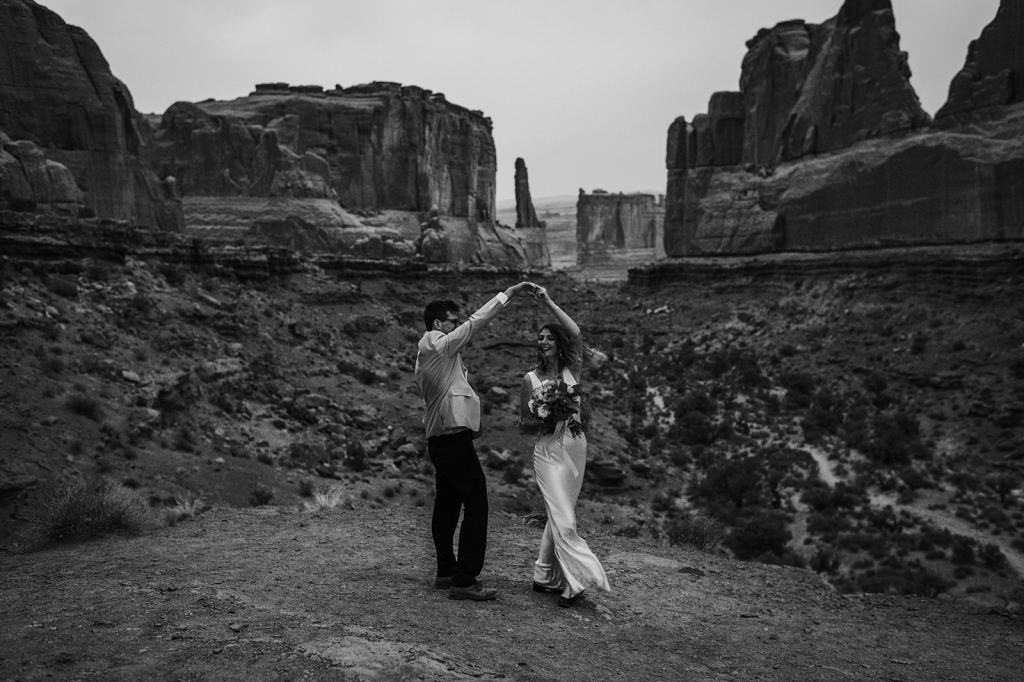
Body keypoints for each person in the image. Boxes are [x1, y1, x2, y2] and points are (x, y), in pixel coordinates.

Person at [415, 281, 536, 601]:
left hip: (443, 439)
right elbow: (474, 324)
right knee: (477, 502)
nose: (458, 324)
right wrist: (507, 295)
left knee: (447, 504)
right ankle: (465, 579)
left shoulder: (435, 354)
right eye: (453, 321)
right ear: (438, 324)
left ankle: (446, 571)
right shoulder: (434, 343)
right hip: (451, 439)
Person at [520, 286, 611, 607]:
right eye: (540, 338)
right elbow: (523, 423)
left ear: (559, 344)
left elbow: (576, 332)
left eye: (549, 337)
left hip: (575, 445)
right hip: (547, 449)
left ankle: (543, 575)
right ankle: (576, 580)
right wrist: (542, 414)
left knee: (560, 513)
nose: (543, 341)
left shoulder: (573, 370)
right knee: (562, 516)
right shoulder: (529, 379)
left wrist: (547, 301)